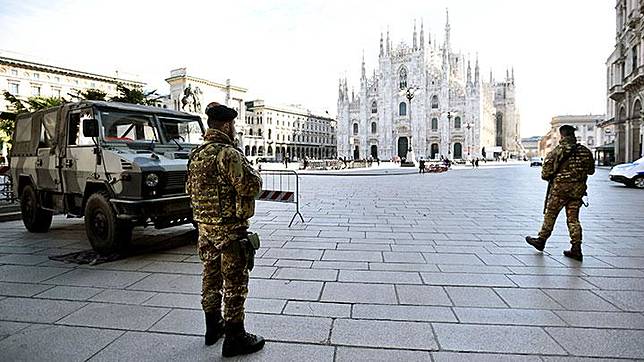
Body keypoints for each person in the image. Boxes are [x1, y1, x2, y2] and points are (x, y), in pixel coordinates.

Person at [186, 102, 265, 357]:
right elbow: (250, 186)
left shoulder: (197, 154)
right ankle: (235, 336)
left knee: (210, 278)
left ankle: (213, 327)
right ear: (227, 125)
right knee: (234, 282)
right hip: (230, 231)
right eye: (233, 125)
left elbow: (190, 190)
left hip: (205, 229)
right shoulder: (228, 154)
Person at [525, 125, 595, 261]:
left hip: (559, 191)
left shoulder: (555, 152)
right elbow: (591, 170)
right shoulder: (585, 151)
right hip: (577, 192)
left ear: (562, 136)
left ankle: (541, 240)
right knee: (573, 219)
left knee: (550, 215)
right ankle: (576, 248)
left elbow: (545, 175)